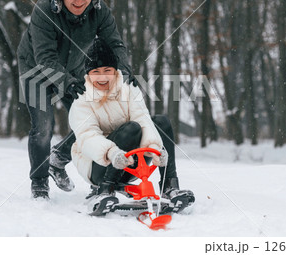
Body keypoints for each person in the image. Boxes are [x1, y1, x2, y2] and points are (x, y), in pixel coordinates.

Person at [17, 0, 137, 199]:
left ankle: (58, 160)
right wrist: (68, 83)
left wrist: (122, 73)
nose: (79, 1)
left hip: (73, 67)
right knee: (43, 127)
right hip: (35, 69)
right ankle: (39, 183)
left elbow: (114, 44)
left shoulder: (99, 10)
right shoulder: (44, 10)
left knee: (95, 121)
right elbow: (45, 57)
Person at [69, 38, 195, 215]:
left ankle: (169, 185)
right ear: (88, 75)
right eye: (96, 72)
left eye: (107, 70)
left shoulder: (129, 89)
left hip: (130, 163)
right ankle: (106, 189)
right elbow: (87, 137)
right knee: (131, 128)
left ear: (115, 71)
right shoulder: (81, 100)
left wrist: (156, 149)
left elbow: (143, 119)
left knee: (160, 122)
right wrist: (112, 153)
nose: (102, 77)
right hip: (99, 166)